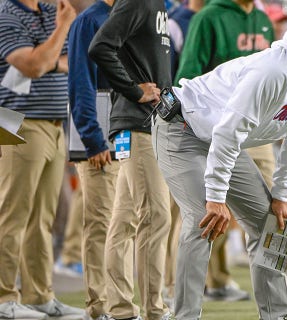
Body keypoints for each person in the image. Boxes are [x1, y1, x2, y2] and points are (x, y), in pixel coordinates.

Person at [154, 2, 287, 319]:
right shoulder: (273, 71)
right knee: (203, 219)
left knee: (269, 224)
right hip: (182, 128)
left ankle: (277, 314)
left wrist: (280, 195)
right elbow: (227, 132)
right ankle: (185, 316)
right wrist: (215, 197)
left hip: (222, 136)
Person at [172, 0, 277, 302]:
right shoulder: (208, 17)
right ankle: (184, 286)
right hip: (217, 127)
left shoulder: (262, 19)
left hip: (257, 129)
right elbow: (189, 74)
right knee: (204, 210)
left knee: (265, 210)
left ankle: (251, 285)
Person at [0, 0, 85, 318]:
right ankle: (4, 297)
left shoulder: (50, 12)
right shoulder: (7, 14)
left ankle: (38, 296)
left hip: (53, 123)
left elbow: (72, 59)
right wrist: (61, 29)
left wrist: (49, 56)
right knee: (13, 215)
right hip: (18, 122)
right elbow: (32, 66)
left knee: (42, 219)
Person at [88, 0, 173, 319]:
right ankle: (155, 310)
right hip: (137, 125)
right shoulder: (139, 0)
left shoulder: (158, 5)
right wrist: (133, 91)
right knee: (156, 215)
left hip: (147, 125)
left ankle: (121, 309)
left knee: (124, 220)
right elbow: (100, 47)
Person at [67, 0, 121, 319]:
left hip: (127, 131)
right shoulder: (89, 21)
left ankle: (121, 303)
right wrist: (92, 137)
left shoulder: (133, 15)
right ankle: (100, 307)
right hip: (100, 134)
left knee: (124, 222)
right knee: (102, 221)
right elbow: (81, 84)